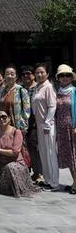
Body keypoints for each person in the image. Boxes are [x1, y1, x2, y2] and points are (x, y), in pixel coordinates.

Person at [0, 108, 40, 197]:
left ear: (9, 118)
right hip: (1, 165)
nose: (1, 119)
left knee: (10, 167)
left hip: (16, 163)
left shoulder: (16, 132)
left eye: (4, 117)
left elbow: (15, 152)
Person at [32, 63, 59, 191]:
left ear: (47, 74)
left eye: (42, 72)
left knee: (50, 153)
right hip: (39, 125)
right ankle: (47, 180)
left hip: (48, 125)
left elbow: (52, 106)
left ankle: (54, 182)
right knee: (43, 153)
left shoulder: (49, 87)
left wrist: (48, 123)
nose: (39, 74)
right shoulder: (38, 87)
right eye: (37, 72)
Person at [54, 64, 76, 194]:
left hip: (72, 128)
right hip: (61, 130)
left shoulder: (74, 91)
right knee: (66, 156)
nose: (65, 78)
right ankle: (73, 181)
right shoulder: (57, 92)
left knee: (74, 156)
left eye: (68, 75)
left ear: (71, 77)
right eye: (62, 75)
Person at [21, 65, 43, 183]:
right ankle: (34, 172)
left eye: (29, 73)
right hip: (25, 121)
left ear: (33, 75)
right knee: (28, 147)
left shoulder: (38, 87)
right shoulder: (22, 88)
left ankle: (40, 173)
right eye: (24, 74)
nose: (26, 76)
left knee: (35, 147)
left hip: (35, 121)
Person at [0, 65, 30, 133]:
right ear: (4, 76)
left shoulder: (21, 90)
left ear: (16, 77)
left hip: (17, 127)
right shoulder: (2, 91)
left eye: (12, 74)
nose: (9, 76)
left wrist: (23, 127)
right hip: (3, 127)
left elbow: (26, 111)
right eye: (7, 74)